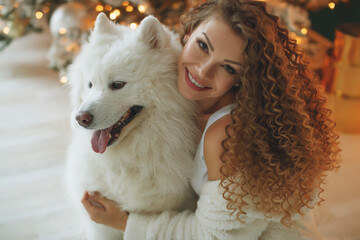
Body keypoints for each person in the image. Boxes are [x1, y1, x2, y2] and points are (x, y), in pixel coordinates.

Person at [81, 0, 341, 239]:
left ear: (244, 77)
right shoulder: (185, 100)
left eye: (228, 67)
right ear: (188, 33)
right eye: (203, 46)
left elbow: (214, 236)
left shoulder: (225, 134)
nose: (202, 71)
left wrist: (124, 222)